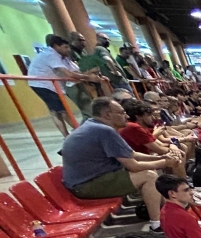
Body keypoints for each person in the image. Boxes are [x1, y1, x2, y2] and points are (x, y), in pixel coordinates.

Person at [62, 97, 177, 229]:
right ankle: (157, 224)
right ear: (107, 115)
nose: (127, 116)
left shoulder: (95, 126)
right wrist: (165, 162)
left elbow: (131, 154)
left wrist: (163, 158)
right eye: (122, 113)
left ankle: (167, 211)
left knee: (151, 170)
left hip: (90, 179)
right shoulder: (104, 131)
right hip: (85, 185)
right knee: (149, 176)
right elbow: (133, 165)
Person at [27, 36, 101, 136]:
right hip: (42, 84)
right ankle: (76, 133)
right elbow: (69, 74)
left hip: (51, 84)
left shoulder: (62, 57)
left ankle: (74, 133)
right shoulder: (51, 55)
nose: (68, 50)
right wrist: (89, 78)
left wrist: (87, 75)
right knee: (60, 111)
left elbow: (74, 71)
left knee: (57, 110)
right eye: (65, 47)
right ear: (56, 46)